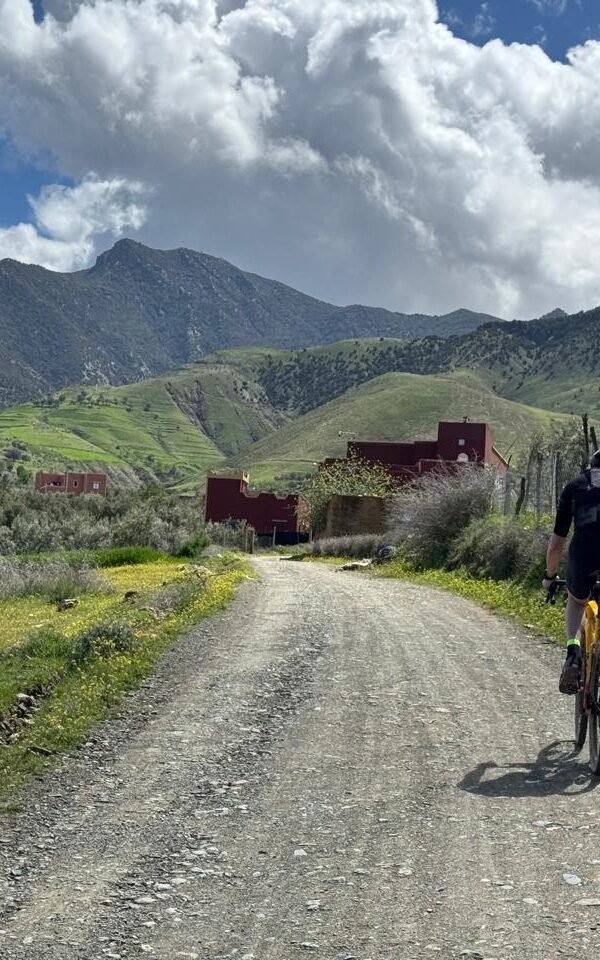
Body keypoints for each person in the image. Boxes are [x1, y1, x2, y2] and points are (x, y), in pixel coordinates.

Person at [544, 450, 600, 694]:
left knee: (577, 602)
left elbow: (557, 544)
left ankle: (573, 653)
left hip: (583, 554)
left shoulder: (574, 487)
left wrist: (549, 577)